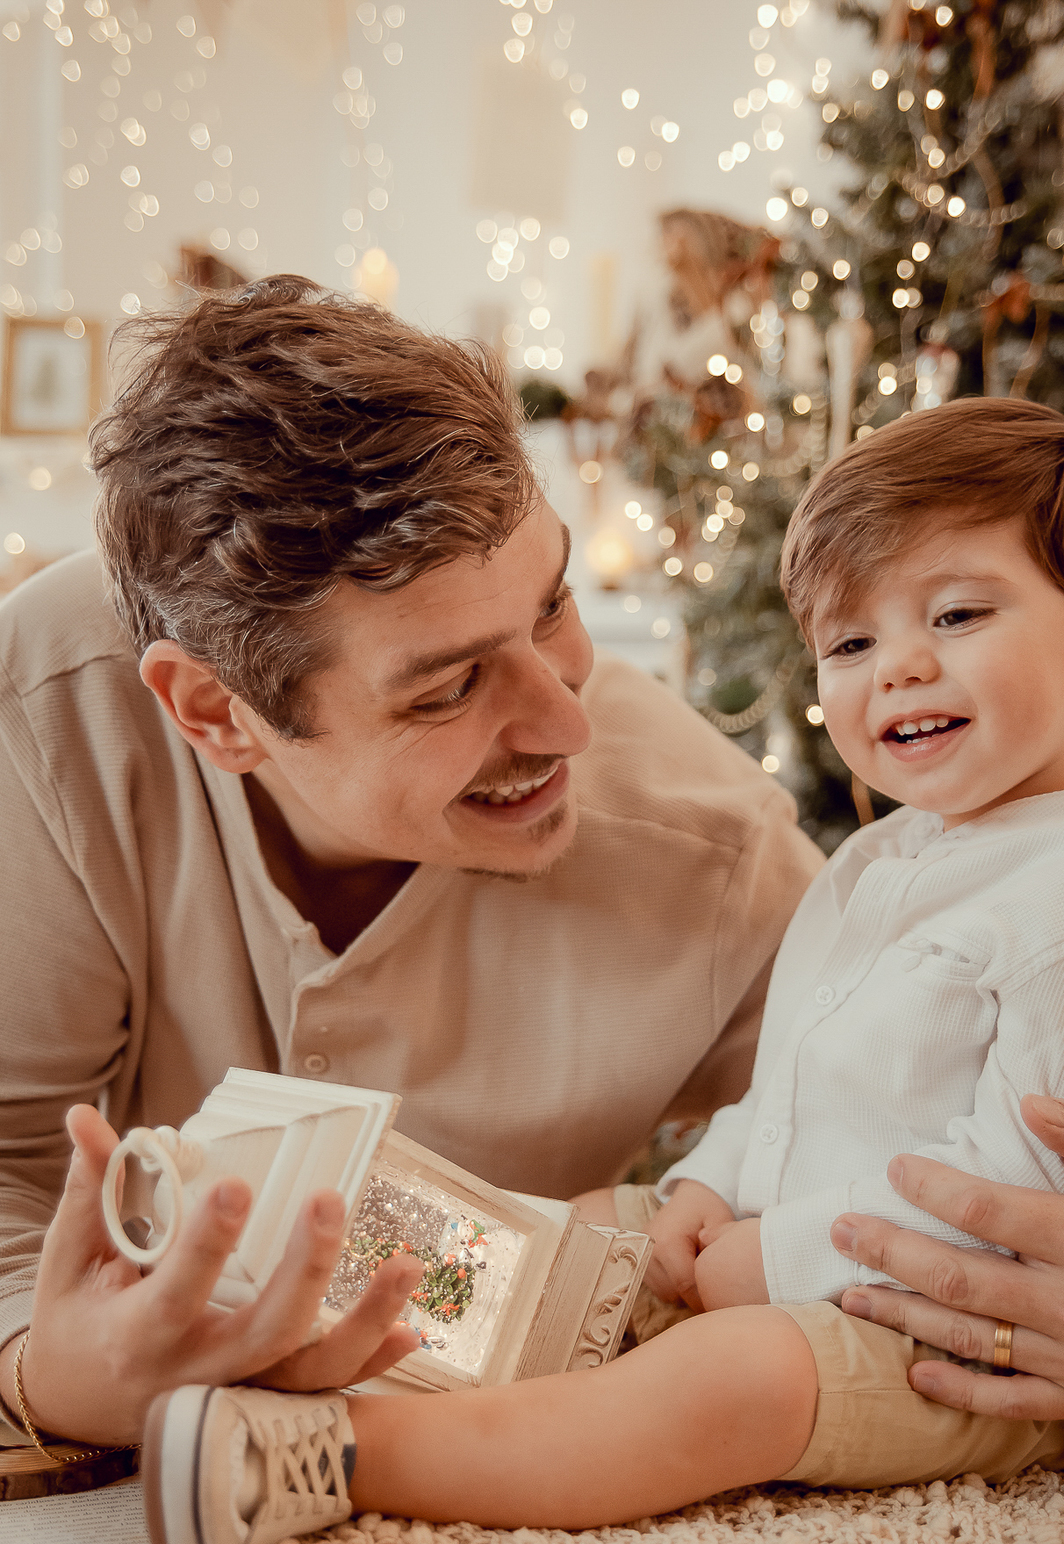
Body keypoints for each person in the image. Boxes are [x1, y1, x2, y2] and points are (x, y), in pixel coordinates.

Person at [138, 396, 1064, 1544]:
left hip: (972, 1337)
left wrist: (776, 1259)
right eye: (851, 643)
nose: (899, 666)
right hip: (801, 1241)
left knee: (727, 1379)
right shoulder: (882, 863)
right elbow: (792, 1085)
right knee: (587, 1224)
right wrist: (706, 1186)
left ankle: (332, 1453)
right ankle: (308, 1316)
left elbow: (1024, 1209)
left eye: (956, 615)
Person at [0, 277, 823, 1452]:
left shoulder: (713, 852)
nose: (567, 723)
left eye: (552, 604)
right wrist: (36, 1370)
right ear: (215, 712)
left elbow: (924, 1104)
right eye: (448, 688)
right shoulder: (47, 711)